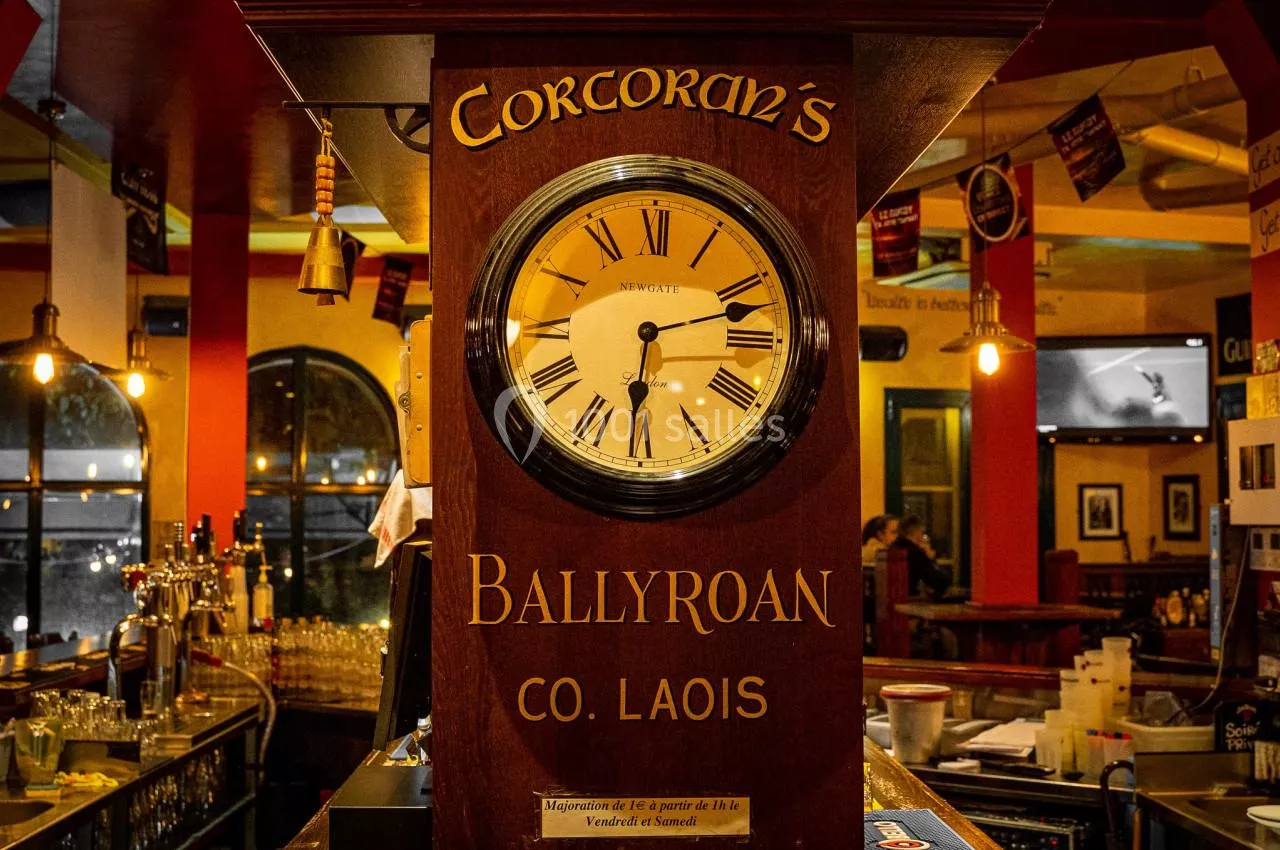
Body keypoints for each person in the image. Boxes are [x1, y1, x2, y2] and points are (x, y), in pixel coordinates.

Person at [889, 515, 951, 602]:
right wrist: (930, 558)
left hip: (891, 599)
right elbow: (938, 581)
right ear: (917, 531)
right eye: (922, 531)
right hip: (908, 600)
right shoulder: (915, 553)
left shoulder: (892, 547)